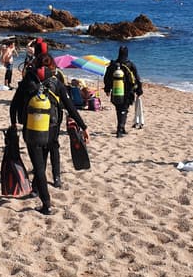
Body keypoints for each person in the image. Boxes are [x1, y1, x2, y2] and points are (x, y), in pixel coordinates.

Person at [10, 52, 89, 215]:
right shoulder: (56, 83)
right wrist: (83, 126)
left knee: (38, 166)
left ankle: (46, 203)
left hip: (31, 129)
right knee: (43, 161)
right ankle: (37, 190)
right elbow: (70, 107)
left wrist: (13, 123)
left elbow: (14, 105)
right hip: (51, 129)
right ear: (52, 65)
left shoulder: (27, 81)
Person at [104, 45, 143, 137]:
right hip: (128, 91)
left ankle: (122, 127)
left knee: (119, 109)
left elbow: (107, 78)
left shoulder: (113, 64)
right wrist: (139, 90)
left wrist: (107, 89)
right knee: (124, 109)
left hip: (116, 90)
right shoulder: (130, 64)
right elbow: (137, 78)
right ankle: (119, 130)